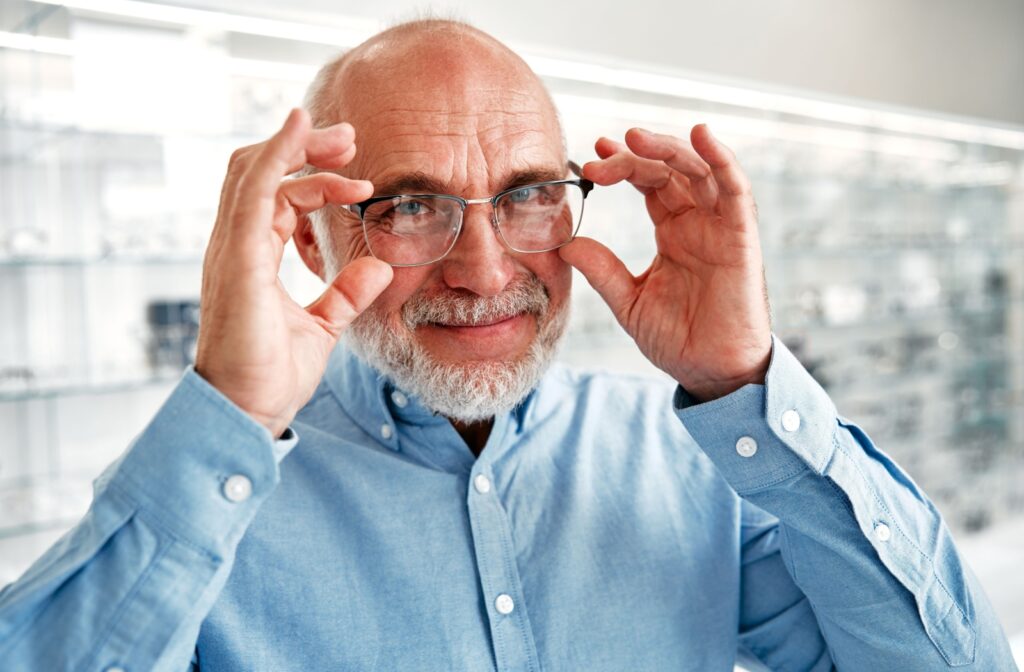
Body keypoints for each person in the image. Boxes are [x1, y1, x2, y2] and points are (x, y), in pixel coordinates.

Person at [0, 18, 1016, 672]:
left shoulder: (685, 455)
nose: (485, 271)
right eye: (408, 207)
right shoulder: (203, 505)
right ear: (308, 232)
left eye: (528, 196)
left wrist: (746, 381)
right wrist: (229, 410)